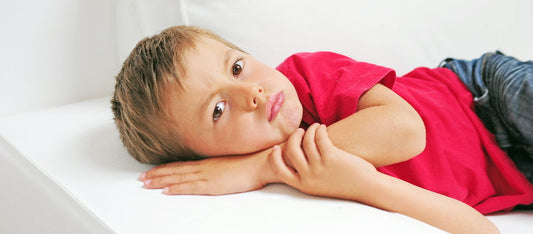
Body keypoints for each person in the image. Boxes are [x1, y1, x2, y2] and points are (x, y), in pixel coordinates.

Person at [112, 25, 533, 233]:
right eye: (219, 110)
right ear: (210, 159)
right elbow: (483, 230)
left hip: (482, 97)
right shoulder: (310, 179)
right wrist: (365, 185)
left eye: (237, 67)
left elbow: (406, 130)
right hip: (518, 174)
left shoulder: (307, 78)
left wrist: (264, 166)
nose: (251, 93)